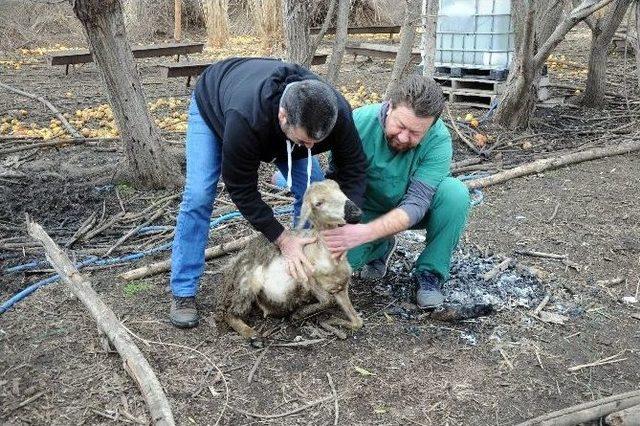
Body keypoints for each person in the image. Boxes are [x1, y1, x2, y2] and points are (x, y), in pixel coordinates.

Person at [170, 57, 367, 328]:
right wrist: (282, 238)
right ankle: (183, 291)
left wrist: (349, 217)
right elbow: (241, 187)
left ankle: (302, 273)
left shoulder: (335, 113)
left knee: (313, 189)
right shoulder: (246, 117)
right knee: (199, 195)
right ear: (283, 115)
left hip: (274, 128)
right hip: (215, 106)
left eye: (315, 144)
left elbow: (354, 166)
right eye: (304, 142)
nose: (309, 148)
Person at [274, 74, 470, 308]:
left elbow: (418, 202)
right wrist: (345, 228)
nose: (404, 137)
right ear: (389, 108)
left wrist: (365, 234)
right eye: (401, 126)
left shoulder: (439, 140)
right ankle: (379, 245)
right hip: (363, 211)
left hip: (409, 210)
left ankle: (430, 273)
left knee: (455, 194)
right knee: (325, 269)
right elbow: (338, 180)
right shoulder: (358, 121)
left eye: (416, 133)